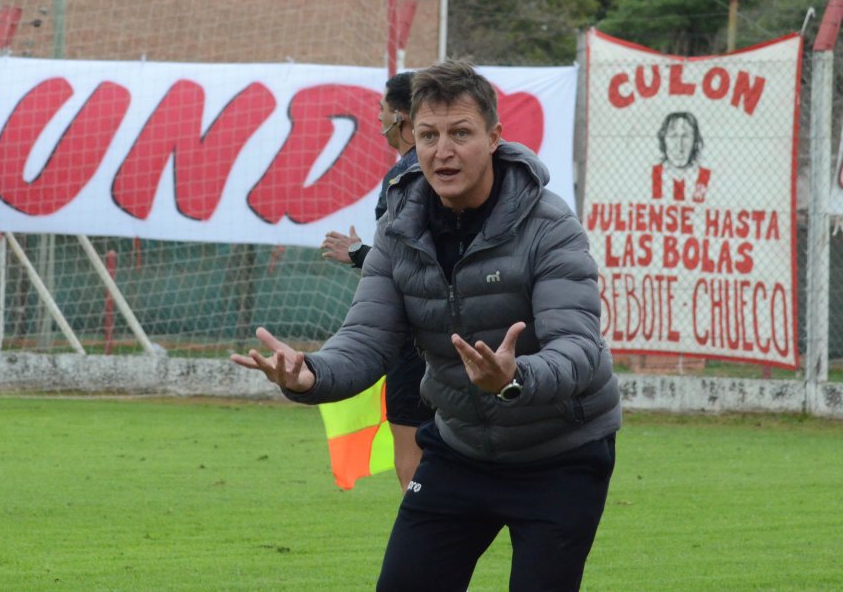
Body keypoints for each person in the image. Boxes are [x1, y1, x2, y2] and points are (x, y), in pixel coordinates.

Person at [232, 60, 621, 591]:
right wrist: (310, 375)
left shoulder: (551, 228)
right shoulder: (398, 230)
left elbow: (578, 347)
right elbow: (367, 339)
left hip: (560, 454)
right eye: (428, 135)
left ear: (494, 138)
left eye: (461, 133)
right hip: (459, 448)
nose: (443, 151)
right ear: (411, 140)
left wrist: (514, 378)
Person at [319, 71, 433, 492]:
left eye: (382, 109)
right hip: (448, 327)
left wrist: (360, 255)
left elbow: (409, 263)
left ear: (400, 116)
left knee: (410, 440)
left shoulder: (406, 175)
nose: (377, 116)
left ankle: (421, 532)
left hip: (414, 331)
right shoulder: (447, 169)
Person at [652, 111, 711, 203]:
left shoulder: (707, 178)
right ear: (663, 140)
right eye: (673, 136)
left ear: (695, 142)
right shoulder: (651, 176)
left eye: (686, 136)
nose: (679, 147)